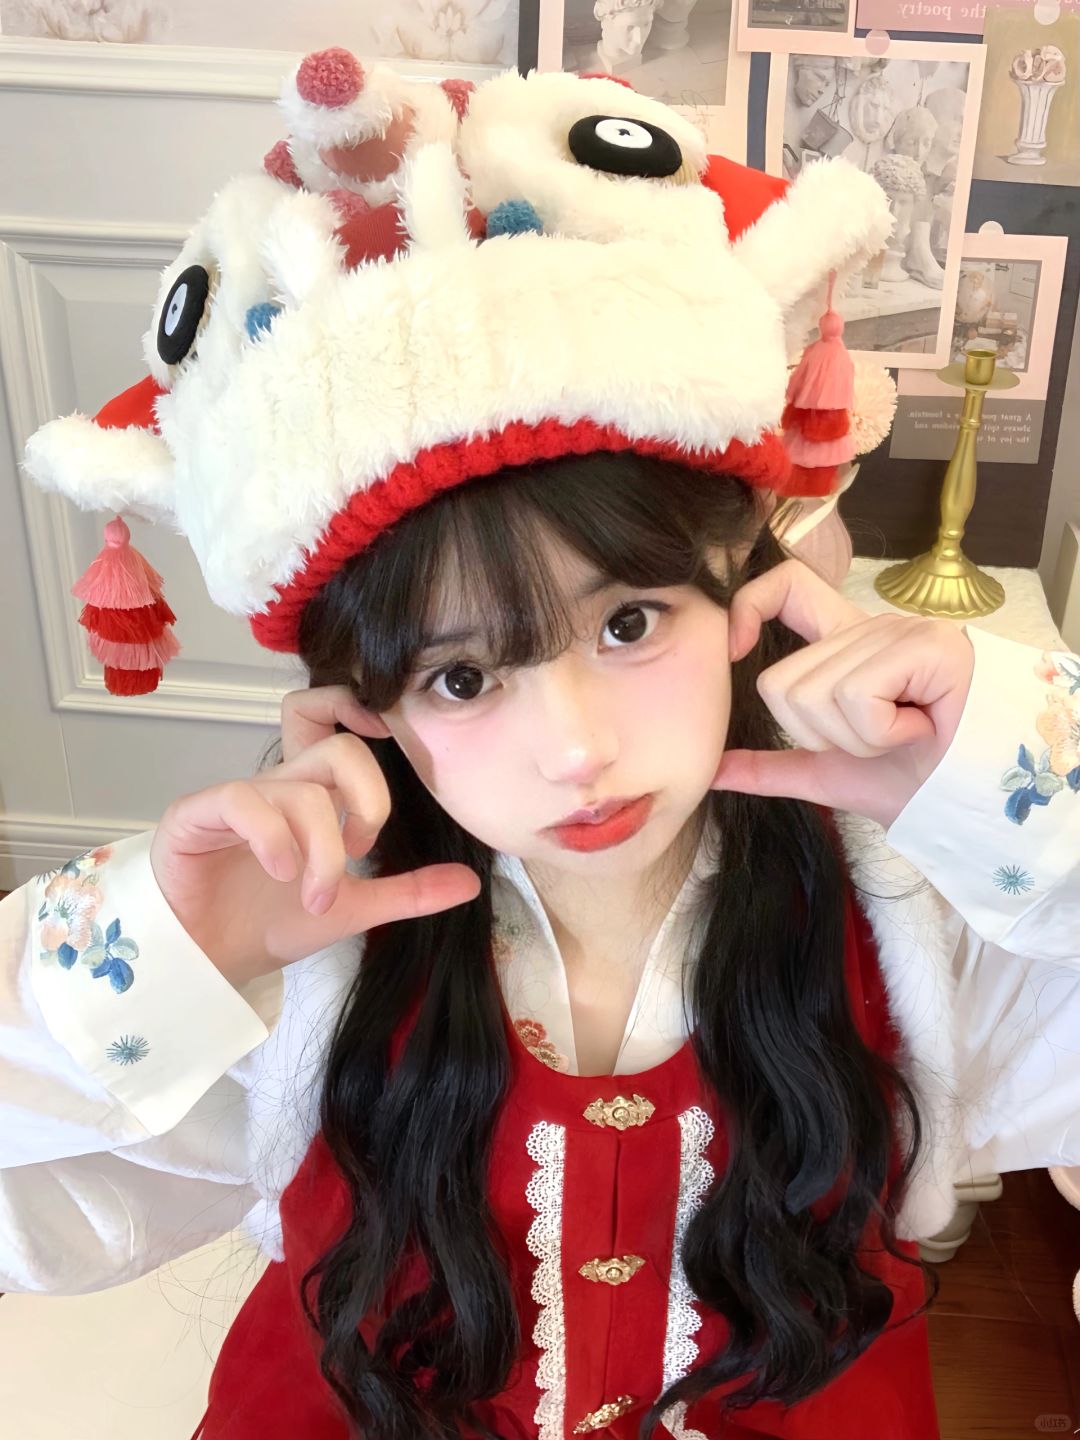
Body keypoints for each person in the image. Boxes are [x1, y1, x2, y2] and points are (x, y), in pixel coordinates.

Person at [4, 51, 1080, 1440]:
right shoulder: (302, 940)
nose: (573, 748)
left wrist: (1010, 784)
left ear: (744, 587)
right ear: (368, 700)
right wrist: (161, 955)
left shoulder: (902, 902)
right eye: (462, 677)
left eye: (629, 622)